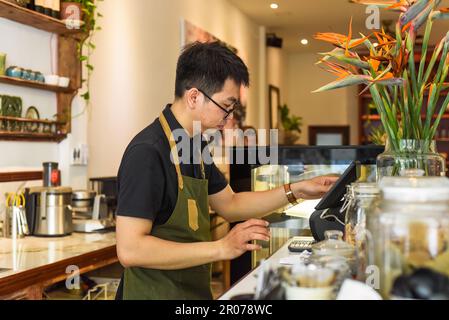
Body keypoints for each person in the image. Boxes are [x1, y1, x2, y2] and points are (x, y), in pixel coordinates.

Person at [115, 41, 338, 300]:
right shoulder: (147, 152)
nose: (229, 116)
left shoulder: (193, 144)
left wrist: (297, 189)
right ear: (194, 97)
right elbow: (131, 249)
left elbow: (230, 203)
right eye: (226, 105)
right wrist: (221, 247)